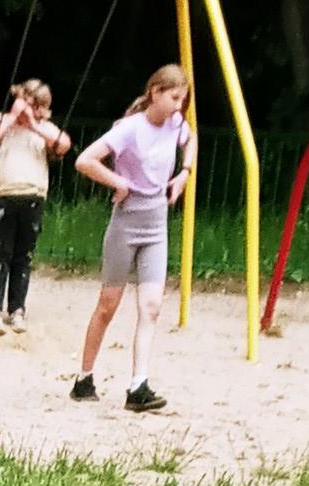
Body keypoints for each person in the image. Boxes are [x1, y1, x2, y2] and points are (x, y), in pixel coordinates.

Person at [70, 64, 195, 414]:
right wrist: (118, 182)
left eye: (182, 100)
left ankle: (138, 385)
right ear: (155, 92)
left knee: (151, 306)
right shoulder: (129, 129)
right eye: (174, 98)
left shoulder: (176, 124)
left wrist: (184, 173)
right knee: (108, 305)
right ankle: (84, 377)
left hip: (157, 223)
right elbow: (85, 160)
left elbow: (191, 139)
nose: (178, 106)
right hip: (126, 222)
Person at [0, 79, 71, 333]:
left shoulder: (44, 129)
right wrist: (11, 119)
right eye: (26, 101)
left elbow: (63, 145)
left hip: (32, 196)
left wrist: (33, 125)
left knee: (23, 256)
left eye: (36, 105)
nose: (29, 109)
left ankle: (17, 309)